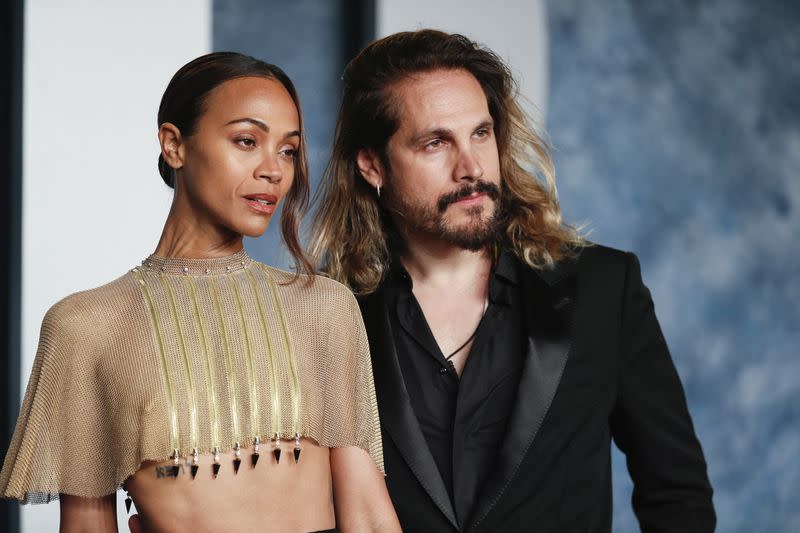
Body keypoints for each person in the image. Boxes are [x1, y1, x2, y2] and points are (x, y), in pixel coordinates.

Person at [311, 30, 716, 532]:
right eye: (436, 143)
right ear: (373, 165)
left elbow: (677, 493)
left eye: (481, 134)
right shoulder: (329, 317)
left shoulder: (604, 289)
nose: (471, 167)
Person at [0, 52, 400, 533]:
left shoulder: (324, 307)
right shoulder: (86, 326)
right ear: (174, 145)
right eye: (247, 141)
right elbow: (86, 527)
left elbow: (369, 515)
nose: (274, 170)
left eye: (289, 150)